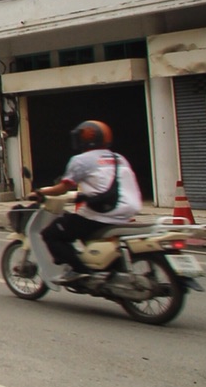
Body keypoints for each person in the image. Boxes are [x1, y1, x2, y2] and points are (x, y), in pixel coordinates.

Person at [37, 119, 142, 281]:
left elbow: (63, 188)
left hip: (102, 213)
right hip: (127, 212)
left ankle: (79, 270)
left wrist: (41, 192)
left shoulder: (81, 160)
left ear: (85, 139)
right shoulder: (119, 158)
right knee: (79, 227)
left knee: (51, 234)